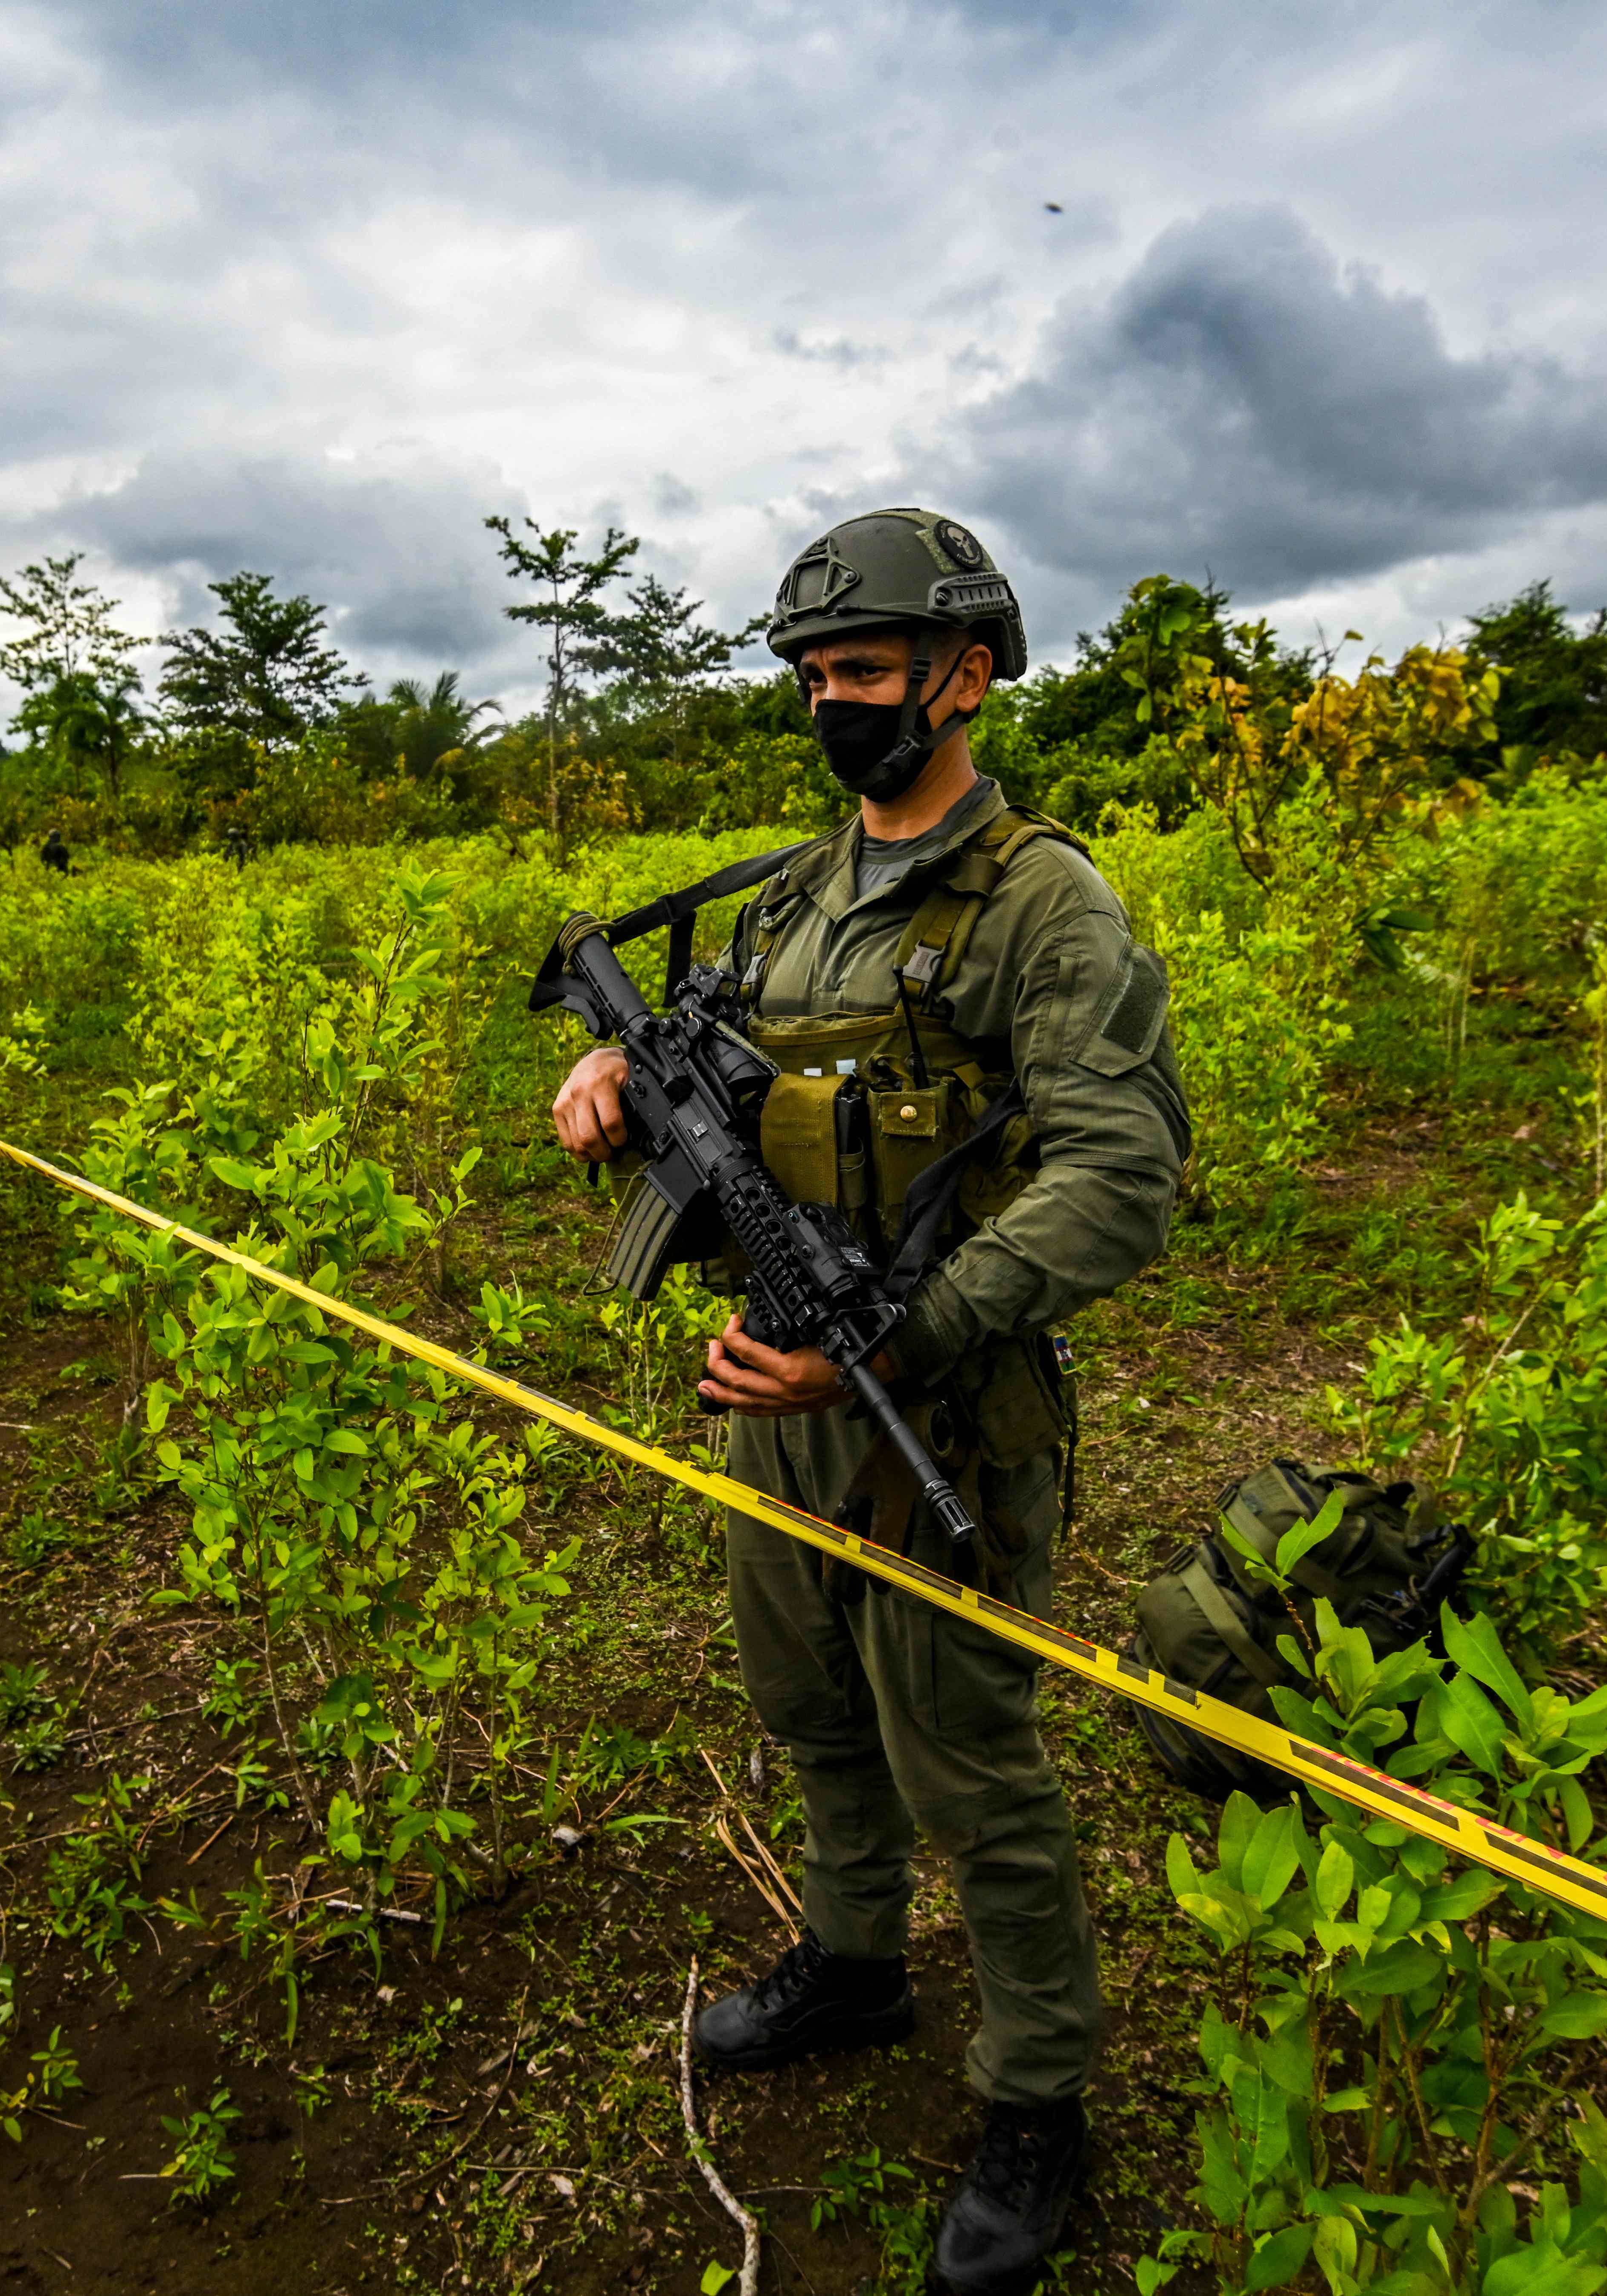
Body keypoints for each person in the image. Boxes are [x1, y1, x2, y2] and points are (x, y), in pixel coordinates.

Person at [549, 510, 1186, 2296]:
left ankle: (1036, 2091)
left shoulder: (1041, 904)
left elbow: (1121, 1171)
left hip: (939, 1403)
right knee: (810, 1706)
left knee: (968, 1762)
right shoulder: (790, 892)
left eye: (861, 671)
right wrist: (607, 1071)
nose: (831, 699)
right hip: (776, 1383)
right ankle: (852, 1958)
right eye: (812, 672)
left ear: (965, 676)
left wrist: (904, 1336)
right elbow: (699, 1048)